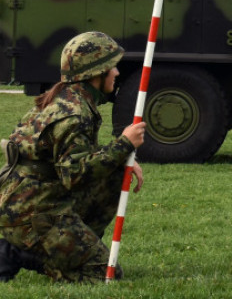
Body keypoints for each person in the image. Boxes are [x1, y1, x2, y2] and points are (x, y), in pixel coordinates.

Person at [0, 32, 146, 283]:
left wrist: (120, 160)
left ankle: (76, 242)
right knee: (103, 275)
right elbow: (74, 175)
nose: (117, 73)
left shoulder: (65, 99)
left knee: (114, 171)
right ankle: (16, 253)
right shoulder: (74, 113)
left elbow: (74, 160)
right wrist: (124, 144)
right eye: (112, 67)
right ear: (96, 72)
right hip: (31, 214)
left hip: (25, 203)